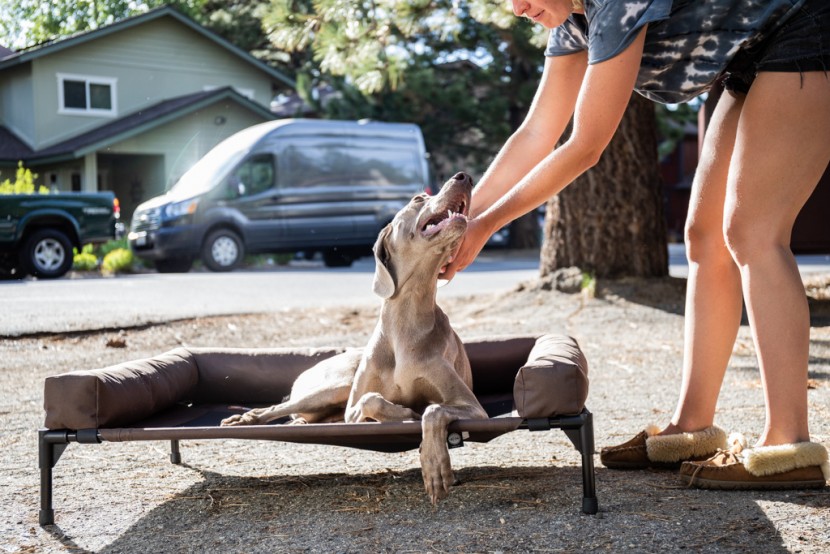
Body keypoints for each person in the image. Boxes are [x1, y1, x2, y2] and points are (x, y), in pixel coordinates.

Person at [441, 0, 830, 489]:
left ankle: (790, 447)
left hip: (804, 28)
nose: (517, 8)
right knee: (705, 237)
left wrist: (486, 226)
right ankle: (692, 427)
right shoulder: (572, 20)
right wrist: (463, 219)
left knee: (753, 231)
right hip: (748, 55)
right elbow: (537, 132)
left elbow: (585, 144)